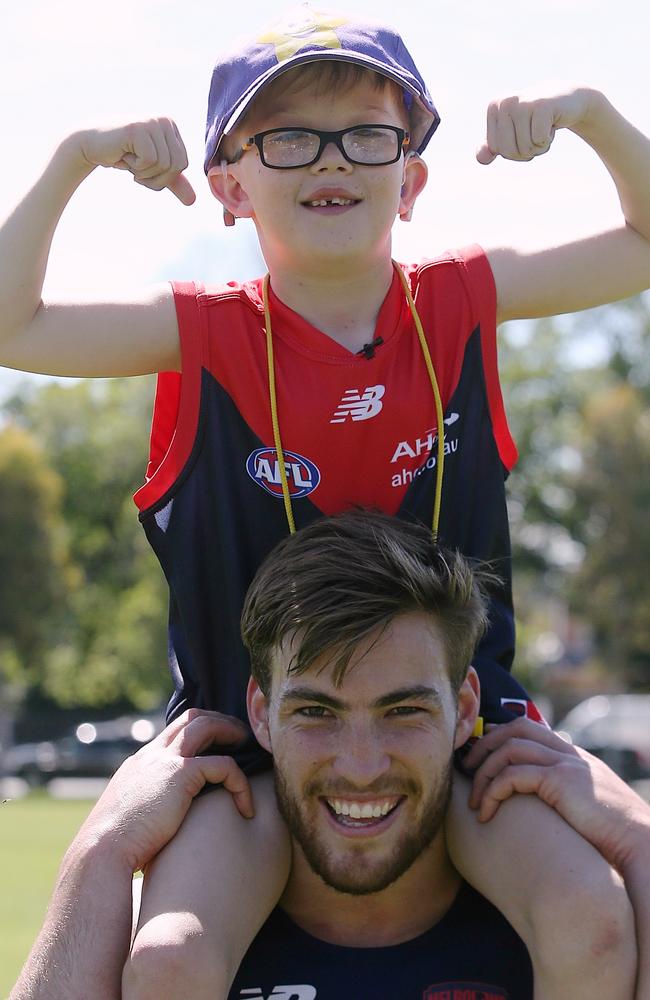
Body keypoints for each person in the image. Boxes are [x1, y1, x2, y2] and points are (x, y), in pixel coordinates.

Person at [2, 6, 650, 997]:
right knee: (170, 954)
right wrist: (73, 160)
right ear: (228, 182)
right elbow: (16, 324)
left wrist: (595, 119)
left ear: (412, 175)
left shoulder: (460, 302)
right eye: (288, 137)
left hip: (457, 734)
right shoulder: (206, 333)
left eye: (365, 133)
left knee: (589, 918)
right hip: (245, 744)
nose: (328, 159)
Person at [10, 512, 648, 1000]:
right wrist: (103, 849)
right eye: (316, 712)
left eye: (404, 711)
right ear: (261, 712)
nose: (361, 766)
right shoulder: (193, 943)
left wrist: (640, 841)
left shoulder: (551, 926)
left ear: (464, 707)